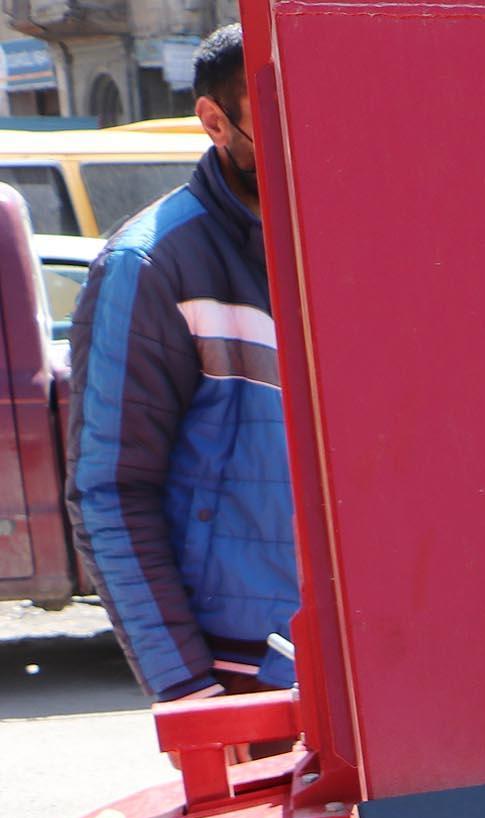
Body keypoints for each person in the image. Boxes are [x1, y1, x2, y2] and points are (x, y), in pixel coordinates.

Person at [66, 24, 295, 702]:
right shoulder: (151, 264)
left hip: (387, 660)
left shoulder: (369, 242)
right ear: (214, 122)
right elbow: (110, 491)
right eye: (277, 121)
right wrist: (190, 692)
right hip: (248, 678)